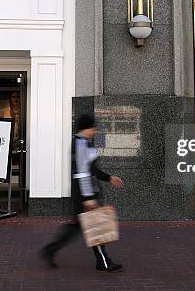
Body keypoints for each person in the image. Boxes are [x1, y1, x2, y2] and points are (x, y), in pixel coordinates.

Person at [41, 114, 125, 272]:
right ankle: (104, 262)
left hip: (85, 194)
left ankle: (51, 250)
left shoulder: (84, 142)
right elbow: (82, 172)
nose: (95, 131)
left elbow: (91, 169)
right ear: (85, 128)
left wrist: (108, 178)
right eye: (93, 128)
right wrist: (88, 198)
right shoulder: (80, 144)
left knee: (78, 227)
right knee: (96, 226)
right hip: (85, 195)